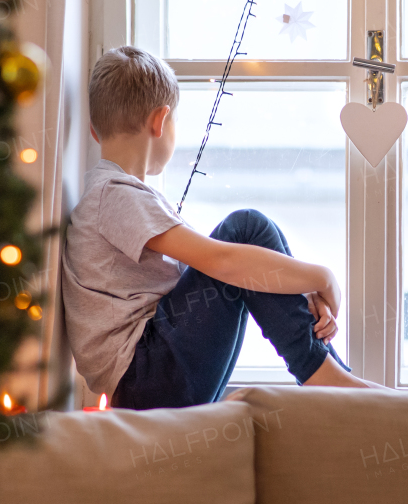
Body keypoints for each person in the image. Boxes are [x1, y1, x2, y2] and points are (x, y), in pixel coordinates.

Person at [63, 46, 380, 409]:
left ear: (93, 130)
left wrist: (295, 289)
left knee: (249, 250)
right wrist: (321, 277)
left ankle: (330, 372)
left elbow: (234, 269)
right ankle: (325, 375)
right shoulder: (115, 195)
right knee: (246, 228)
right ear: (160, 120)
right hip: (146, 376)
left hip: (151, 377)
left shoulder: (113, 196)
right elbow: (221, 261)